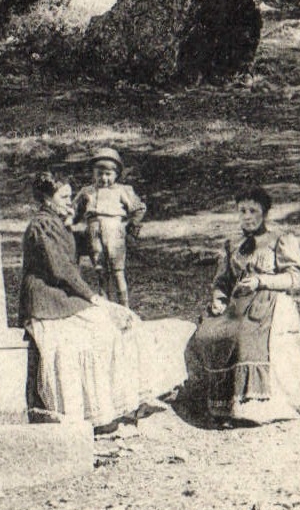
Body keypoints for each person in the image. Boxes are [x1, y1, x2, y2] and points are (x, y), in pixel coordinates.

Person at [21, 171, 191, 429]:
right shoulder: (41, 226)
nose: (70, 202)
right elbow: (61, 270)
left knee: (124, 322)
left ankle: (130, 400)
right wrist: (94, 298)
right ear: (47, 199)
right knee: (98, 333)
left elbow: (78, 247)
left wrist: (108, 227)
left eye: (70, 196)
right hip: (48, 301)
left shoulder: (57, 222)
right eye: (64, 197)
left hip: (64, 297)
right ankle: (97, 414)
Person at [185, 186, 300, 425]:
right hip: (236, 305)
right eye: (242, 211)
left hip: (270, 300)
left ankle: (252, 408)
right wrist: (218, 298)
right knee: (207, 334)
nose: (247, 216)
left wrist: (260, 281)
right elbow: (222, 281)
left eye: (253, 210)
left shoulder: (280, 239)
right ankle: (218, 405)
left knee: (245, 337)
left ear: (264, 213)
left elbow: (294, 279)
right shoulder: (232, 244)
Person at [74, 146, 146, 306]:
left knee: (117, 270)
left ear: (117, 174)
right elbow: (74, 212)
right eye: (99, 174)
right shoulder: (87, 192)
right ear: (93, 173)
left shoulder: (122, 191)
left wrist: (130, 225)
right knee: (100, 269)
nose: (104, 178)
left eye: (108, 174)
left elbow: (139, 208)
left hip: (114, 232)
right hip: (93, 231)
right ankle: (106, 303)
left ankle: (124, 306)